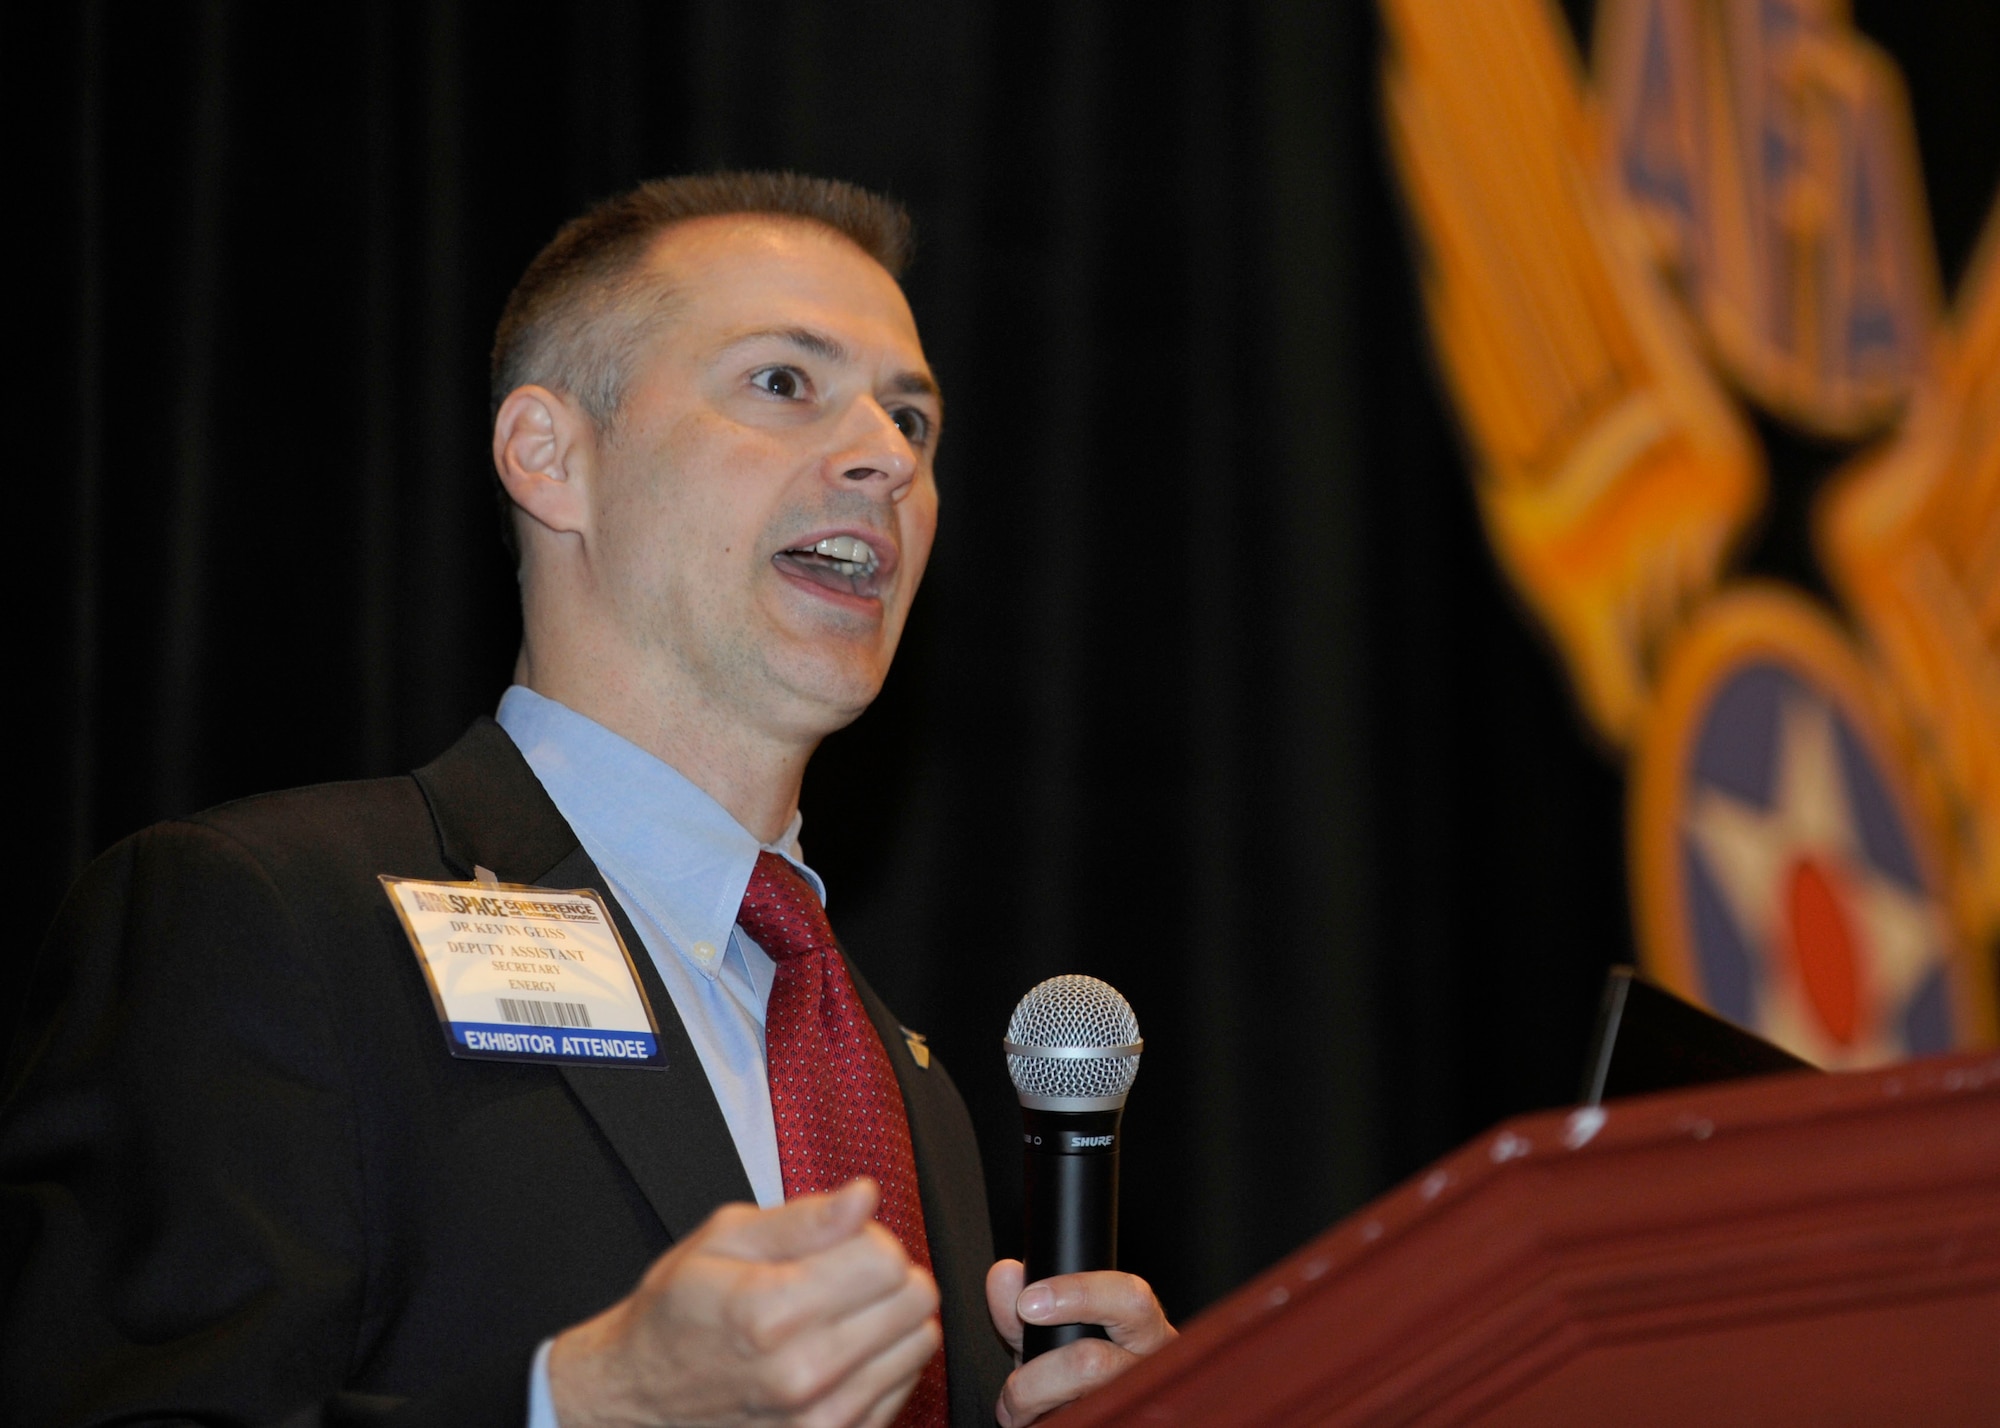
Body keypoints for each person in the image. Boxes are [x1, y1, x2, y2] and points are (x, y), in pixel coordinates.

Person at [1, 173, 1175, 1428]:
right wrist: (585, 1404)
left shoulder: (905, 1084)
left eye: (913, 421)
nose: (884, 458)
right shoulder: (269, 919)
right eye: (782, 382)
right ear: (549, 457)